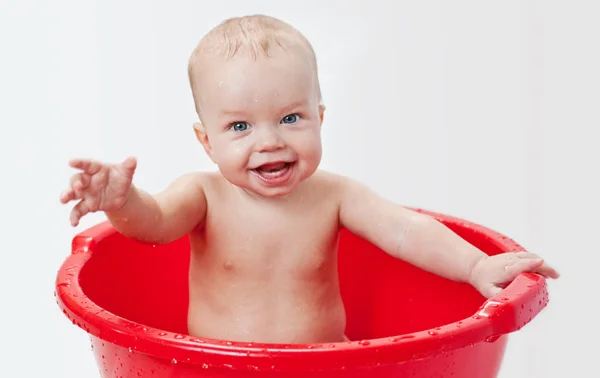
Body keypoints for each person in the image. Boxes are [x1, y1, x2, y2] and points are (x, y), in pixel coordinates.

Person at [59, 14, 559, 344]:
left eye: (291, 118)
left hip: (327, 366)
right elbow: (156, 223)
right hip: (215, 369)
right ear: (206, 141)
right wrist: (121, 202)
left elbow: (405, 230)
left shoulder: (334, 196)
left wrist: (475, 267)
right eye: (239, 126)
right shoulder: (203, 194)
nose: (270, 141)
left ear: (320, 116)